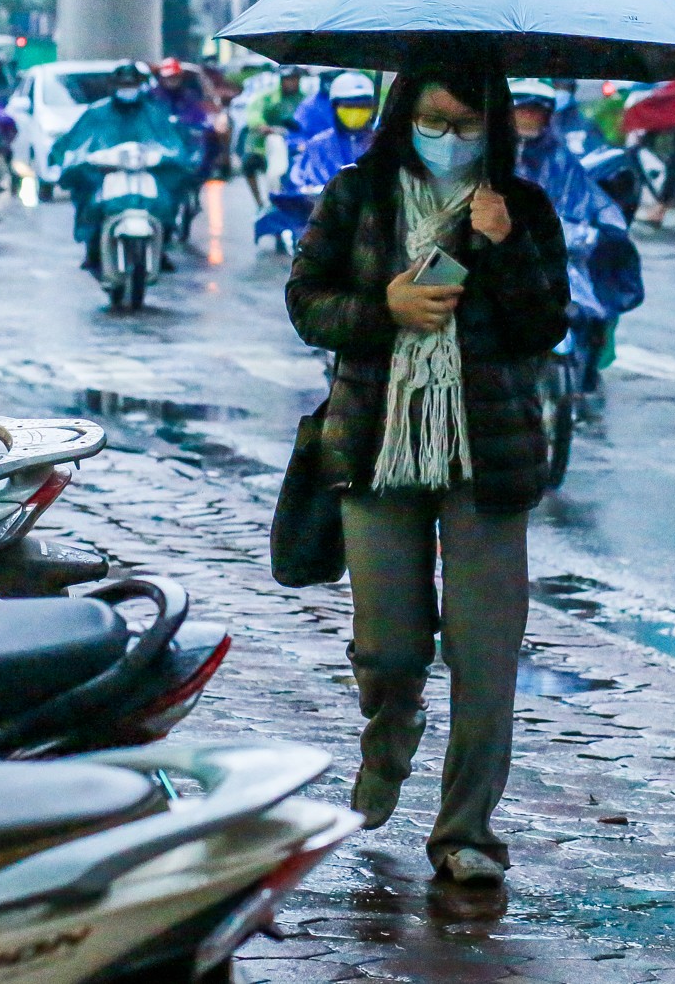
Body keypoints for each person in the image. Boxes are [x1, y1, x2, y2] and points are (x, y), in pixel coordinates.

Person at [285, 67, 568, 886]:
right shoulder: (355, 196)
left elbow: (545, 324)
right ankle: (389, 732)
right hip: (377, 444)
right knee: (387, 644)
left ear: (496, 127)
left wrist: (505, 246)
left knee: (485, 655)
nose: (449, 136)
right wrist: (388, 307)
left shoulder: (525, 206)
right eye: (432, 119)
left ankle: (466, 830)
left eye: (467, 122)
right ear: (403, 115)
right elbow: (307, 301)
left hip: (490, 452)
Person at [513, 78, 641, 389]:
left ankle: (583, 381)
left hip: (558, 256)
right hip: (507, 259)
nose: (528, 119)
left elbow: (591, 198)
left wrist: (605, 226)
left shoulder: (563, 158)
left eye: (536, 113)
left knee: (590, 312)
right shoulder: (492, 157)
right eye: (521, 112)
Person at [52, 62, 194, 271]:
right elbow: (77, 144)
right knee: (88, 197)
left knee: (166, 198)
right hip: (104, 173)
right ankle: (93, 245)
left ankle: (161, 246)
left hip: (146, 172)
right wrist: (84, 161)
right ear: (114, 86)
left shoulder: (154, 114)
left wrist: (169, 159)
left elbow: (172, 144)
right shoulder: (96, 113)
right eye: (123, 84)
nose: (128, 89)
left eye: (132, 84)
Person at [255, 73, 378, 247]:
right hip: (325, 227)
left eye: (362, 106)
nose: (356, 111)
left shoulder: (381, 142)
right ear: (335, 106)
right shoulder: (317, 144)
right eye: (348, 106)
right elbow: (301, 180)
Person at [240, 65, 312, 205]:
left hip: (299, 145)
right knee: (249, 163)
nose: (290, 82)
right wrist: (266, 128)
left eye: (294, 78)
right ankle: (260, 203)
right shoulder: (266, 98)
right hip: (267, 146)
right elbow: (254, 116)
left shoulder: (306, 100)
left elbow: (311, 122)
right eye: (287, 79)